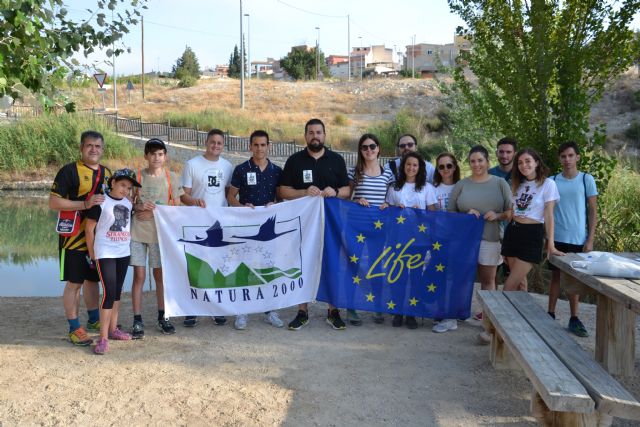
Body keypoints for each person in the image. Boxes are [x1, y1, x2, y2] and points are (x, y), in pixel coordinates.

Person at [278, 118, 350, 331]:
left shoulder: (336, 160)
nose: (315, 136)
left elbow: (347, 191)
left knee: (331, 264)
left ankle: (333, 310)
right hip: (302, 224)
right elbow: (282, 191)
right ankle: (302, 311)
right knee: (302, 264)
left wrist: (335, 191)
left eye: (318, 132)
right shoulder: (295, 160)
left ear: (325, 135)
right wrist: (302, 192)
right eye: (311, 132)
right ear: (305, 136)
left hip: (331, 223)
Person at [49, 130, 111, 346]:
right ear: (81, 148)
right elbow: (54, 203)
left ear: (102, 150)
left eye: (98, 146)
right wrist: (84, 204)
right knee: (74, 283)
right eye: (89, 146)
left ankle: (94, 319)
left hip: (96, 239)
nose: (94, 149)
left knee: (93, 280)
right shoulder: (68, 171)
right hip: (73, 238)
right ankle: (74, 328)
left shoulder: (108, 173)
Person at [448, 146, 512, 340]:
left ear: (487, 162)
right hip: (464, 241)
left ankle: (488, 322)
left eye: (480, 160)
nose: (476, 164)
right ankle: (454, 315)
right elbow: (450, 212)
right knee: (460, 278)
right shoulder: (461, 185)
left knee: (488, 280)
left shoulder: (500, 184)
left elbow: (511, 213)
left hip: (490, 239)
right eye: (473, 161)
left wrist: (498, 215)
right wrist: (464, 215)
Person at [227, 130, 285, 330]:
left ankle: (270, 310)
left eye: (263, 145)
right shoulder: (241, 169)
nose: (259, 148)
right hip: (246, 228)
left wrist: (274, 203)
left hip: (268, 229)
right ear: (250, 146)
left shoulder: (277, 171)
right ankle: (241, 311)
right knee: (244, 267)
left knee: (267, 267)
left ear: (269, 146)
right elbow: (231, 197)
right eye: (256, 145)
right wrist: (241, 207)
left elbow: (281, 197)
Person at [129, 138, 183, 339]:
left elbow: (176, 208)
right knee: (139, 277)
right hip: (138, 234)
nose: (156, 157)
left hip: (160, 236)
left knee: (160, 277)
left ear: (165, 156)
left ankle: (163, 316)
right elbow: (129, 204)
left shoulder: (172, 178)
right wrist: (138, 207)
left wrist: (154, 212)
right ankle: (137, 319)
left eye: (160, 154)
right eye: (152, 154)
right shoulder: (137, 177)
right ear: (146, 156)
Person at [180, 129, 234, 327]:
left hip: (219, 224)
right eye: (213, 142)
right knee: (197, 265)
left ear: (223, 145)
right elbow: (183, 195)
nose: (216, 146)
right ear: (206, 142)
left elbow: (229, 194)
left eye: (219, 143)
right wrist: (194, 201)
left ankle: (215, 307)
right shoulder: (192, 164)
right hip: (197, 221)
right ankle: (192, 309)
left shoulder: (228, 166)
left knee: (217, 265)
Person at [85, 169, 141, 354]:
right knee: (108, 292)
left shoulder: (128, 203)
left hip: (123, 252)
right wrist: (93, 254)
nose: (125, 190)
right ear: (113, 182)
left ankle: (113, 329)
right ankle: (103, 338)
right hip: (105, 253)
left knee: (117, 292)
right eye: (123, 185)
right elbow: (89, 229)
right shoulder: (101, 202)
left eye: (129, 187)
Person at [381, 151, 437, 329]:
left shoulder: (427, 188)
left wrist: (419, 212)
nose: (411, 168)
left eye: (415, 165)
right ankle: (398, 312)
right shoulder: (394, 187)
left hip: (419, 240)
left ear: (420, 167)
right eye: (408, 164)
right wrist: (394, 209)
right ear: (402, 167)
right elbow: (387, 209)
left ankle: (412, 312)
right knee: (399, 276)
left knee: (416, 278)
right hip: (398, 239)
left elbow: (433, 213)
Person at [547, 142, 597, 337]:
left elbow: (593, 211)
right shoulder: (552, 181)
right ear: (559, 159)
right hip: (556, 237)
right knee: (556, 277)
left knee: (574, 280)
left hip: (577, 237)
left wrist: (590, 238)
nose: (567, 160)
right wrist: (548, 238)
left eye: (570, 155)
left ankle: (574, 318)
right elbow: (548, 211)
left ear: (577, 157)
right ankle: (549, 314)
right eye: (563, 156)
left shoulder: (586, 179)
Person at [347, 133, 395, 325]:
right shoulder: (353, 172)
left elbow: (391, 199)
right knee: (354, 265)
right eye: (365, 147)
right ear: (360, 150)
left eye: (372, 146)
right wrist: (357, 200)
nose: (369, 150)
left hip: (378, 228)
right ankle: (351, 307)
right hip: (356, 226)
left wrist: (386, 204)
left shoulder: (388, 174)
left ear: (379, 148)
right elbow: (345, 198)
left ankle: (377, 307)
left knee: (376, 266)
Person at [501, 149, 564, 294]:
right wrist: (505, 240)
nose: (524, 165)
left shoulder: (548, 184)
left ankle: (505, 316)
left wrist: (551, 244)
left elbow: (549, 215)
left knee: (508, 286)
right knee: (520, 284)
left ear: (536, 162)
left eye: (528, 161)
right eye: (520, 162)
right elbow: (512, 212)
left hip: (532, 235)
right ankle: (518, 316)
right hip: (513, 232)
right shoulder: (517, 184)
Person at [430, 152, 462, 333]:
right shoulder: (432, 188)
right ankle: (441, 311)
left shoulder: (462, 186)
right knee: (439, 276)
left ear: (455, 167)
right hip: (438, 240)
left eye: (449, 166)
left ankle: (453, 316)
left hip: (457, 240)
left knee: (455, 278)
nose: (445, 170)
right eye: (441, 166)